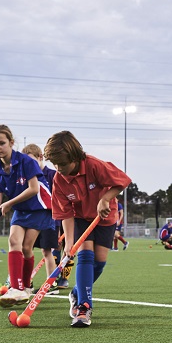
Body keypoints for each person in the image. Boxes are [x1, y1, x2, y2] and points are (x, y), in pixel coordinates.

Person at [43, 130, 131, 328]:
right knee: (85, 256)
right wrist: (69, 242)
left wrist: (105, 199)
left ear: (75, 157)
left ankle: (77, 292)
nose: (59, 168)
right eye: (55, 165)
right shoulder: (59, 179)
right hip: (81, 218)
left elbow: (122, 182)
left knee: (99, 262)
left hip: (105, 217)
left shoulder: (94, 165)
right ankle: (83, 307)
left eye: (63, 164)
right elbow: (65, 213)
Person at [0, 125, 56, 309]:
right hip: (21, 208)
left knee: (27, 247)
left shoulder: (27, 162)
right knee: (14, 242)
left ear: (11, 143)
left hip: (40, 206)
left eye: (1, 143)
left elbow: (34, 189)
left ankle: (25, 287)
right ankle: (18, 288)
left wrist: (10, 203)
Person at [22, 143, 60, 291]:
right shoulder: (28, 176)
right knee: (26, 248)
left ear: (40, 157)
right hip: (33, 219)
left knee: (47, 251)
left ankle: (51, 283)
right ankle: (26, 283)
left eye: (32, 160)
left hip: (50, 219)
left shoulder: (53, 175)